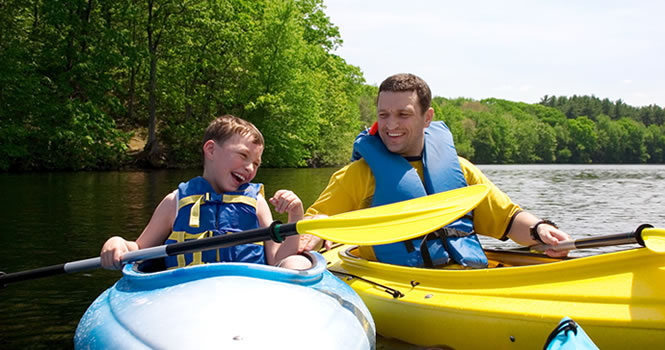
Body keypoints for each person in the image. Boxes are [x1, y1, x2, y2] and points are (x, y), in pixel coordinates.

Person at [299, 73, 571, 268]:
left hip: (465, 275)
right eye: (383, 115)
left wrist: (541, 230)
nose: (390, 125)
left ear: (426, 117)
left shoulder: (461, 170)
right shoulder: (358, 174)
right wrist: (314, 230)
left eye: (403, 115)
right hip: (396, 281)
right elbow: (315, 222)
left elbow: (509, 220)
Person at [101, 114, 311, 270]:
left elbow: (277, 260)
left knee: (297, 263)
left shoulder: (256, 203)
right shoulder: (174, 202)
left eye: (256, 163)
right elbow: (138, 250)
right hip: (189, 292)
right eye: (243, 155)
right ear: (211, 150)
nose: (250, 168)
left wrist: (295, 216)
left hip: (246, 290)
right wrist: (118, 243)